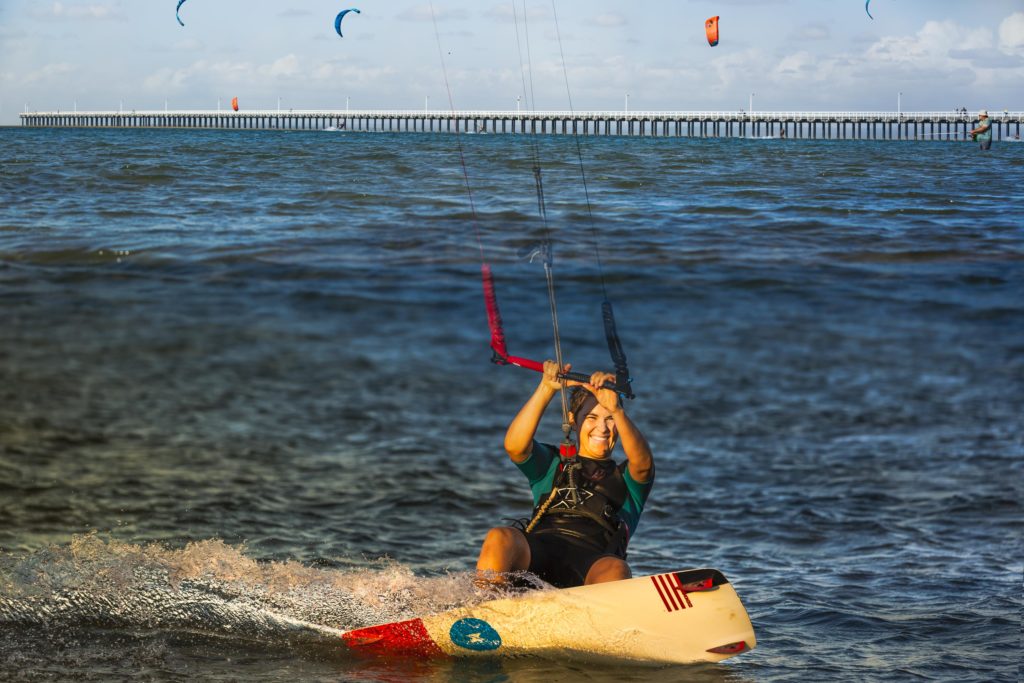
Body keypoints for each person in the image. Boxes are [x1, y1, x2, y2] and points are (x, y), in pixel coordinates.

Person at [475, 360, 655, 589]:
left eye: (610, 419)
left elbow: (643, 463)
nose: (602, 428)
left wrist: (616, 408)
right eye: (592, 418)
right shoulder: (552, 464)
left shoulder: (629, 479)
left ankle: (601, 618)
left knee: (617, 568)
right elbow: (515, 446)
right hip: (539, 552)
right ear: (573, 420)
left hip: (593, 565)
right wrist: (546, 388)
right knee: (500, 536)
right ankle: (484, 608)